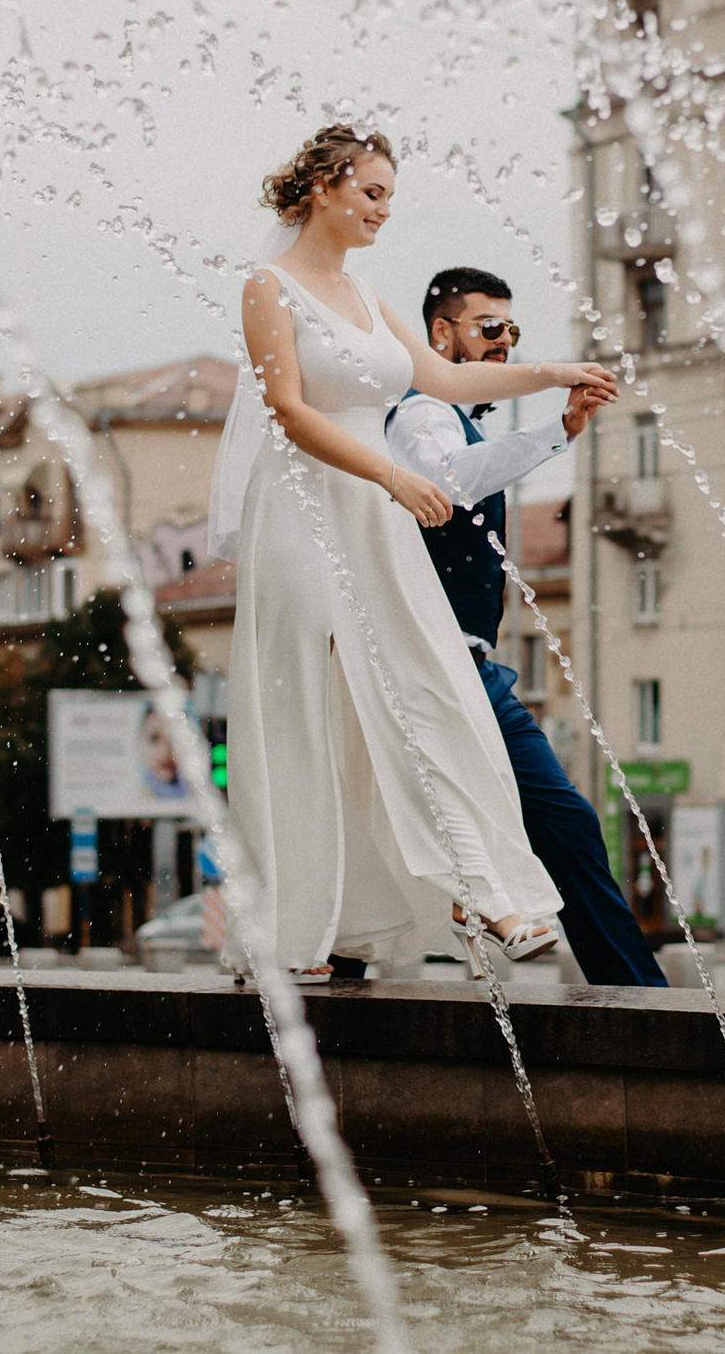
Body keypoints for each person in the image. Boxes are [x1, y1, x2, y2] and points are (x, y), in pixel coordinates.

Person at [214, 125, 621, 984]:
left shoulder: (365, 296)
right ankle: (297, 928)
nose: (383, 211)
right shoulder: (269, 287)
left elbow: (440, 380)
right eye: (371, 193)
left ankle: (480, 888)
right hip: (301, 507)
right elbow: (287, 410)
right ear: (323, 187)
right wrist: (393, 476)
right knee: (305, 715)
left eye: (390, 197)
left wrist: (549, 374)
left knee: (429, 688)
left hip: (375, 508)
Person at [375, 267, 667, 987]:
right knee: (390, 830)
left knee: (564, 823)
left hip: (473, 671)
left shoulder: (458, 416)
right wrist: (558, 427)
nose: (505, 342)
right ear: (442, 334)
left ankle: (636, 991)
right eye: (489, 328)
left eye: (513, 330)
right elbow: (450, 481)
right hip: (430, 667)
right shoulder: (420, 414)